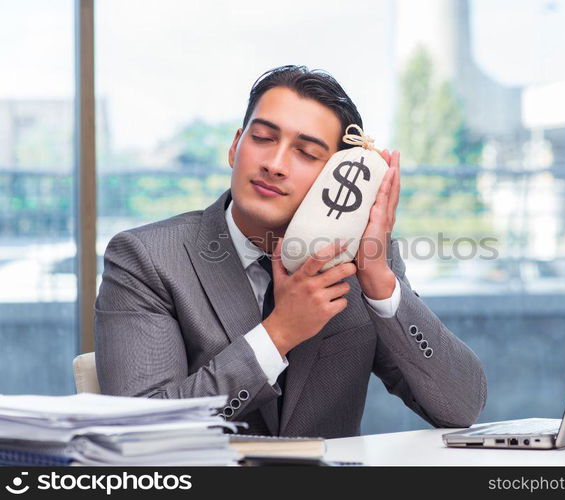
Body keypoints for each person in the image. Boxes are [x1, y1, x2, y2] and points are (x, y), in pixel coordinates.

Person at [95, 65, 487, 438]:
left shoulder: (364, 262)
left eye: (307, 153)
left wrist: (380, 285)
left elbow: (460, 408)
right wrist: (279, 333)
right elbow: (139, 433)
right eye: (263, 138)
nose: (276, 164)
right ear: (235, 146)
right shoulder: (146, 259)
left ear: (337, 175)